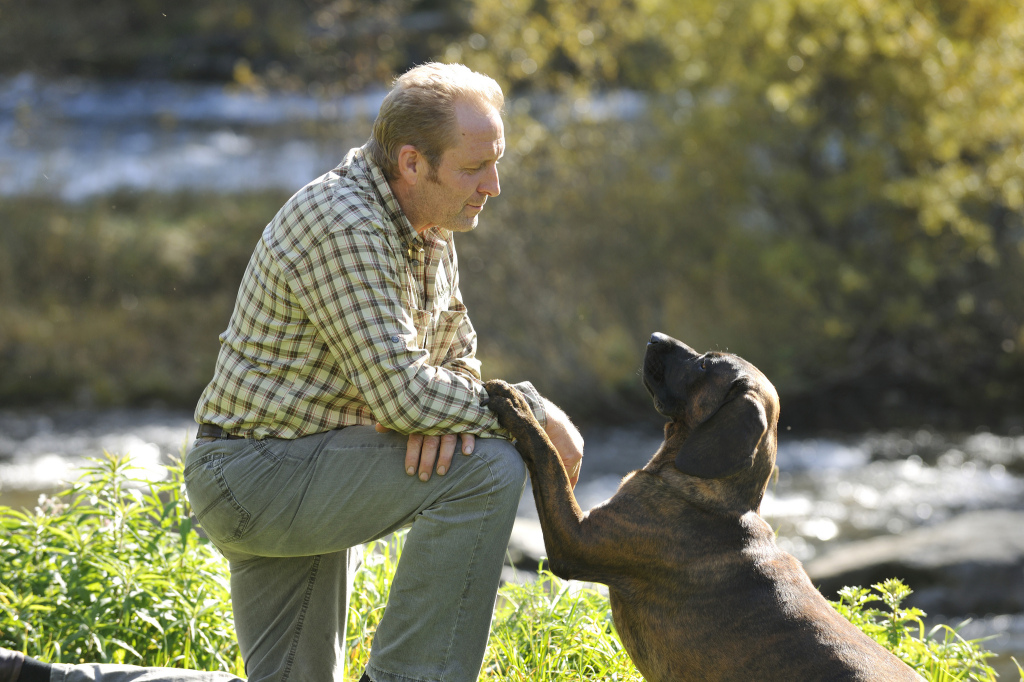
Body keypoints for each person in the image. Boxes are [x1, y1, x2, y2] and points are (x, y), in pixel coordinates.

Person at [0, 62, 583, 682]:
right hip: (260, 474)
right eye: (474, 168)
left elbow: (454, 361)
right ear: (412, 163)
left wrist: (441, 414)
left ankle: (27, 677)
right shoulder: (346, 221)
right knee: (489, 467)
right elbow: (406, 395)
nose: (493, 184)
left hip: (301, 464)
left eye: (495, 163)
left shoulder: (428, 227)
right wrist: (531, 413)